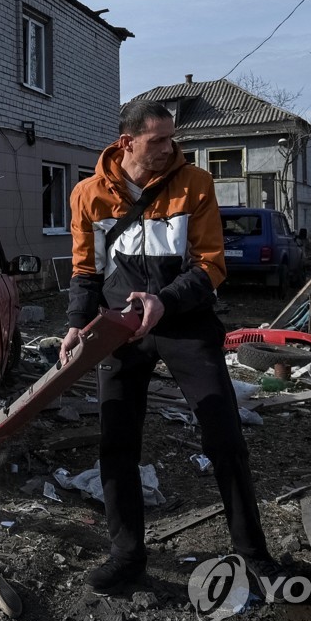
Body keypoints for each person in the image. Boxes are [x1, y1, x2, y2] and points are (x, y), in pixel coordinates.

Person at [60, 99, 277, 592]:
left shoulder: (196, 183)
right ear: (127, 142)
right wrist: (77, 324)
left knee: (224, 436)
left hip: (185, 322)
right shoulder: (87, 195)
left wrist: (163, 301)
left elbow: (212, 266)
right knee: (116, 442)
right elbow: (85, 270)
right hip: (118, 329)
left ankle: (256, 557)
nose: (169, 147)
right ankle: (127, 557)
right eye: (157, 139)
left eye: (170, 137)